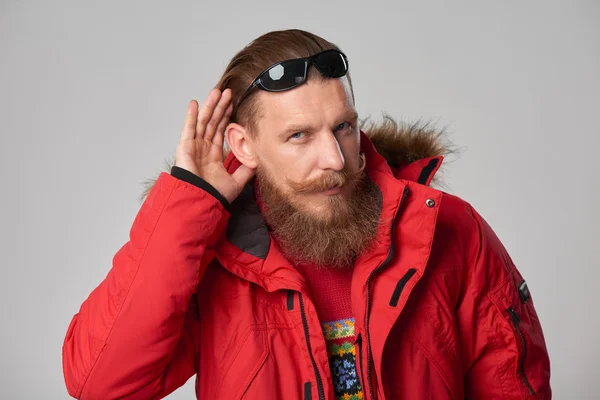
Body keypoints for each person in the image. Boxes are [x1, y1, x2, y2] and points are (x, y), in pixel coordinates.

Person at [62, 29, 551, 400]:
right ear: (243, 145)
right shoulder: (213, 259)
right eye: (299, 136)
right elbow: (100, 381)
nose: (336, 160)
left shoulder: (451, 229)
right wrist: (188, 206)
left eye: (343, 127)